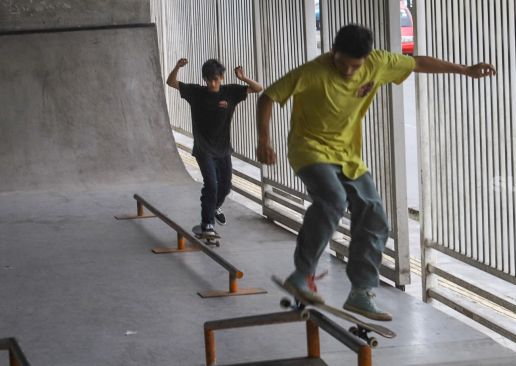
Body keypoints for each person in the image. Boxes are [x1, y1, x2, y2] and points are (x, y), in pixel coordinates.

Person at [255, 24, 495, 321]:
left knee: (375, 215)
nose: (347, 71)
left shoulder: (379, 63)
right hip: (309, 150)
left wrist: (464, 70)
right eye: (341, 63)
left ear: (366, 59)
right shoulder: (312, 71)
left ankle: (361, 293)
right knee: (333, 199)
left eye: (355, 66)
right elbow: (268, 96)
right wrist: (263, 140)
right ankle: (302, 274)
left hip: (348, 156)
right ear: (333, 53)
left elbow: (417, 62)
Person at [167, 58, 262, 237]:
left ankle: (215, 207)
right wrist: (177, 67)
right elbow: (171, 82)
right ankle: (207, 224)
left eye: (216, 79)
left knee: (225, 187)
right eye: (209, 80)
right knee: (211, 185)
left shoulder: (231, 92)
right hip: (203, 149)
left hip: (223, 149)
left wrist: (244, 78)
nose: (212, 83)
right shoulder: (196, 92)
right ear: (204, 79)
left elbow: (258, 88)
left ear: (222, 78)